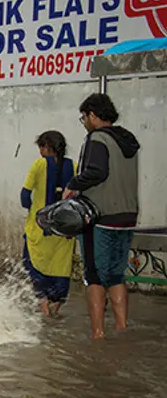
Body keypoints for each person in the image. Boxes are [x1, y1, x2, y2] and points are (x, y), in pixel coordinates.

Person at [62, 93, 140, 339]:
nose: (84, 122)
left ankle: (98, 335)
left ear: (93, 115)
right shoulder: (128, 140)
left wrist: (72, 184)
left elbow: (96, 171)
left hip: (100, 216)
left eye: (84, 117)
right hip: (126, 216)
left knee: (94, 276)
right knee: (116, 274)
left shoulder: (97, 139)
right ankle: (122, 329)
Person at [21, 130, 76, 318]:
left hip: (39, 229)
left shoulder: (39, 165)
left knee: (34, 266)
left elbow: (24, 196)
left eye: (40, 148)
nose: (40, 152)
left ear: (46, 147)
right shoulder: (74, 167)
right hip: (65, 233)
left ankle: (44, 312)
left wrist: (32, 210)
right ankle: (55, 309)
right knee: (60, 268)